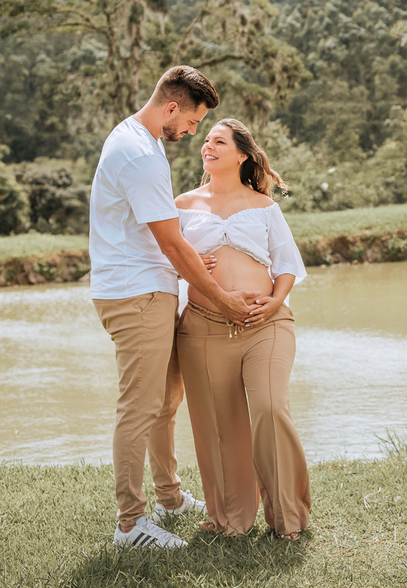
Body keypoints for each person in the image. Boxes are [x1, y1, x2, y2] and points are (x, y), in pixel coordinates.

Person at [90, 66, 259, 550]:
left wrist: (185, 253)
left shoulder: (141, 139)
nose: (191, 133)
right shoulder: (139, 155)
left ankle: (169, 497)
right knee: (140, 407)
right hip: (135, 294)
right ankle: (129, 525)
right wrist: (223, 299)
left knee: (165, 403)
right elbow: (169, 243)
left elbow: (160, 232)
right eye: (191, 122)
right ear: (171, 108)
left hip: (148, 287)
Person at [174, 118, 311, 540]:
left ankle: (288, 517)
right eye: (206, 140)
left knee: (270, 408)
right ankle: (231, 519)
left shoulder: (264, 206)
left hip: (264, 324)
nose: (208, 146)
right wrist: (191, 267)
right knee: (219, 425)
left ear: (242, 155)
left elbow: (287, 263)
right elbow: (162, 260)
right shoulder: (181, 204)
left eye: (219, 141)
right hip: (203, 328)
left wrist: (274, 302)